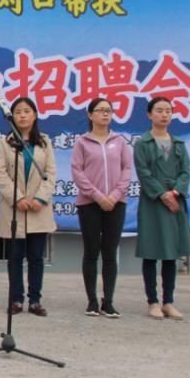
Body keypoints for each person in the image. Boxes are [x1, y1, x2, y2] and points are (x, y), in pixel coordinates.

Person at [71, 97, 133, 318]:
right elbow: (77, 172)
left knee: (110, 252)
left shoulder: (120, 141)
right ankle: (92, 301)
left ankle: (109, 301)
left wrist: (114, 196)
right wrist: (98, 196)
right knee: (91, 251)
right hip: (89, 203)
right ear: (90, 115)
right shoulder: (82, 142)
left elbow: (127, 170)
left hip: (116, 203)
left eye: (109, 110)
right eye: (100, 110)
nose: (105, 114)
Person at [0, 97, 57, 316]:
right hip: (15, 207)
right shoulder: (6, 142)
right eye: (18, 112)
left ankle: (35, 300)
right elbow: (1, 174)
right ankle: (16, 299)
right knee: (14, 257)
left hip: (38, 208)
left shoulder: (44, 142)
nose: (22, 115)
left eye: (27, 111)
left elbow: (50, 173)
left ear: (35, 115)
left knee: (36, 257)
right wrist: (18, 198)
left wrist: (40, 198)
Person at [133, 97, 190, 320]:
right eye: (159, 110)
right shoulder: (143, 143)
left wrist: (175, 192)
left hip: (175, 202)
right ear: (150, 114)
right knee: (151, 252)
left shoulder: (179, 144)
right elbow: (143, 172)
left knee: (170, 253)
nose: (164, 114)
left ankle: (168, 301)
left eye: (168, 110)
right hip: (153, 203)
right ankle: (153, 301)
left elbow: (186, 171)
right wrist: (162, 194)